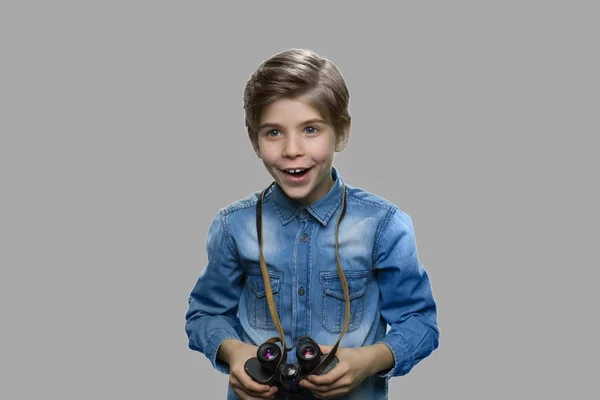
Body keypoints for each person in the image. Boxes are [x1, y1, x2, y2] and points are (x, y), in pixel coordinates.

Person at [185, 48, 440, 400]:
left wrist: (367, 360)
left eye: (310, 129)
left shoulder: (384, 225)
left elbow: (421, 322)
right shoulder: (234, 226)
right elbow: (204, 314)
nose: (292, 149)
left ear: (342, 132)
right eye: (273, 132)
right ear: (253, 141)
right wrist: (233, 351)